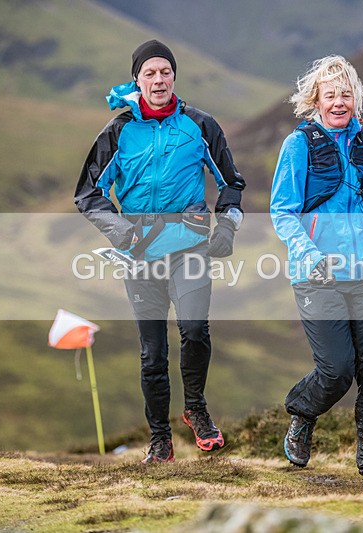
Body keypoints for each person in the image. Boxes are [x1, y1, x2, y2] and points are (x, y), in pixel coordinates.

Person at [75, 39, 245, 463]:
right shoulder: (117, 132)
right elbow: (87, 193)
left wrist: (227, 224)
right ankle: (160, 440)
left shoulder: (200, 125)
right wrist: (121, 232)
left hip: (190, 248)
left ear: (174, 77)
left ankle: (196, 409)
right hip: (139, 256)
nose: (158, 79)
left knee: (195, 332)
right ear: (136, 80)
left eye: (165, 72)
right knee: (152, 354)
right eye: (149, 73)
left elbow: (231, 183)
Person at [269, 55, 363, 494]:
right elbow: (282, 211)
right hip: (317, 274)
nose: (339, 101)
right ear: (316, 100)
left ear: (356, 99)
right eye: (331, 94)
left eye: (346, 93)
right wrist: (307, 252)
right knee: (336, 370)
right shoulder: (299, 146)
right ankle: (302, 411)